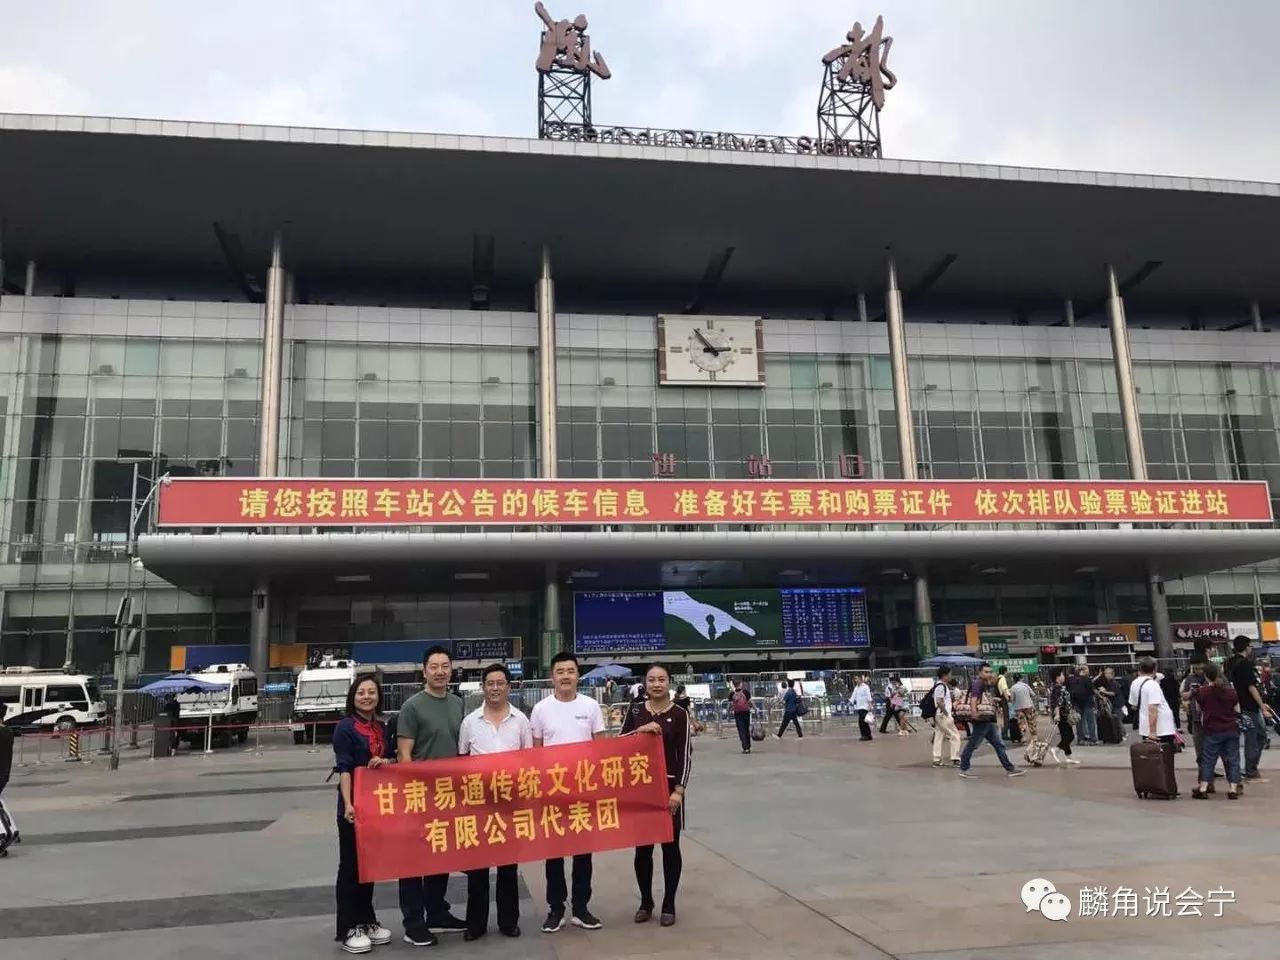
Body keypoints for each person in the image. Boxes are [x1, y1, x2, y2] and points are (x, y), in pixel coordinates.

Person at [531, 651, 607, 933]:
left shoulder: (590, 706)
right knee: (554, 853)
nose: (565, 676)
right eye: (560, 671)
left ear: (578, 675)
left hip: (583, 790)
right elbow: (535, 753)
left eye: (570, 671)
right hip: (552, 792)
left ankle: (581, 907)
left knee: (583, 852)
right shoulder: (540, 709)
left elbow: (600, 748)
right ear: (552, 676)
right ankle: (556, 908)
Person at [396, 645, 467, 947]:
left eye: (445, 665)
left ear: (452, 669)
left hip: (450, 795)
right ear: (424, 670)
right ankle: (413, 922)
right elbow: (404, 754)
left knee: (441, 855)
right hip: (420, 794)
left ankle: (437, 911)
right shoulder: (412, 706)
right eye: (434, 666)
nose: (440, 671)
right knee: (414, 861)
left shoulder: (458, 703)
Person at [458, 663, 532, 941]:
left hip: (511, 805)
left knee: (507, 867)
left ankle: (508, 921)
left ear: (509, 687)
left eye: (501, 683)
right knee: (477, 867)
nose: (495, 688)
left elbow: (529, 761)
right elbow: (462, 760)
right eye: (490, 683)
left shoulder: (521, 720)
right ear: (483, 687)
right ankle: (475, 923)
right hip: (479, 805)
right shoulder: (470, 722)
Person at [622, 663, 693, 927]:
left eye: (662, 679)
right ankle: (645, 901)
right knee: (642, 850)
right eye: (651, 680)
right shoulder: (636, 710)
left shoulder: (680, 713)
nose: (656, 684)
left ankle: (669, 903)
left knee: (670, 848)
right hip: (641, 790)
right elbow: (621, 743)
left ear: (669, 683)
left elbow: (686, 754)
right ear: (645, 683)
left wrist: (679, 791)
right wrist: (639, 730)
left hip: (669, 790)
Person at [333, 676, 394, 954]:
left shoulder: (381, 727)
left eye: (371, 692)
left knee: (368, 865)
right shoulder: (345, 728)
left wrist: (387, 761)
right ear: (353, 697)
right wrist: (348, 804)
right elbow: (344, 768)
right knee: (350, 866)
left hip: (376, 806)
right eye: (361, 692)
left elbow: (392, 759)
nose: (367, 696)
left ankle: (367, 919)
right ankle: (348, 927)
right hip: (353, 806)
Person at [957, 664, 1025, 779]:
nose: (988, 674)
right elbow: (974, 699)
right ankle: (964, 768)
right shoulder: (978, 683)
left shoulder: (986, 684)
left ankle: (1010, 768)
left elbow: (983, 699)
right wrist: (974, 713)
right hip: (981, 719)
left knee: (999, 745)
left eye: (989, 671)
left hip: (988, 719)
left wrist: (994, 699)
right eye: (985, 672)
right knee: (973, 744)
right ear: (980, 673)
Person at [1226, 635, 1277, 783]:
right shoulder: (1244, 664)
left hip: (1239, 705)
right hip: (1249, 706)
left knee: (1254, 737)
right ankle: (1251, 769)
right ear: (1246, 647)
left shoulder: (1230, 663)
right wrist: (1262, 706)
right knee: (1255, 738)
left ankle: (1249, 768)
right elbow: (1251, 687)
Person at [1191, 663, 1243, 800]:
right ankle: (1232, 788)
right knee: (1233, 759)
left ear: (1206, 676)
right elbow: (1238, 710)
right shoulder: (1231, 692)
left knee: (1208, 760)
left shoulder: (1202, 692)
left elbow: (1198, 709)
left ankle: (1203, 788)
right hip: (1231, 729)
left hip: (1212, 730)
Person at [1128, 657, 1177, 746]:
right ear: (1155, 668)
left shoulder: (1135, 683)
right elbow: (1152, 708)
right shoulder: (1153, 685)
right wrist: (1153, 732)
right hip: (1161, 728)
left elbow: (1133, 705)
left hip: (1145, 727)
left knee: (1150, 756)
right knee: (1165, 756)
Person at [1181, 658, 1210, 772]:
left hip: (1210, 717)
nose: (1199, 671)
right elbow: (1184, 695)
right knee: (1199, 746)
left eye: (1201, 668)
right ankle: (1203, 771)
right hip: (1196, 717)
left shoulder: (1210, 678)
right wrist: (1193, 692)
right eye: (1196, 668)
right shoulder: (1190, 678)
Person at [929, 667, 962, 767]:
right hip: (943, 715)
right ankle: (955, 758)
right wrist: (946, 713)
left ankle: (937, 759)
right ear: (945, 675)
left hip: (940, 715)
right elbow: (939, 701)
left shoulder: (941, 686)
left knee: (939, 735)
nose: (950, 676)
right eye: (949, 674)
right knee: (955, 735)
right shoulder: (941, 686)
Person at [1048, 668, 1080, 765]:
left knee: (1065, 735)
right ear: (1057, 677)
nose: (1063, 677)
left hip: (1062, 714)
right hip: (1063, 715)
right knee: (1070, 736)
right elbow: (1058, 703)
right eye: (1062, 674)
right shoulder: (1058, 688)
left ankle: (1068, 757)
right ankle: (1056, 749)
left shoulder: (1056, 687)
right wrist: (1057, 714)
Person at [1068, 666, 1097, 745]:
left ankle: (1080, 739)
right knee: (1090, 721)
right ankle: (1092, 739)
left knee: (1079, 722)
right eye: (1087, 669)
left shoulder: (1072, 680)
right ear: (1084, 671)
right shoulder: (1087, 679)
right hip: (1087, 702)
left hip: (1077, 703)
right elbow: (1092, 690)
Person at [1095, 667, 1124, 743]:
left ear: (1112, 674)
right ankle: (1117, 735)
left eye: (1108, 673)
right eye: (1105, 673)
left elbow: (1113, 693)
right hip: (1111, 704)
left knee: (1118, 720)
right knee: (1113, 720)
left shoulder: (1114, 683)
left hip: (1117, 704)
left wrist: (1104, 691)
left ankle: (1121, 735)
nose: (1106, 675)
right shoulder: (1106, 682)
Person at [1010, 673, 1038, 747]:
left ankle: (1024, 738)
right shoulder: (1026, 685)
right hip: (1028, 706)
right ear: (1021, 678)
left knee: (1022, 724)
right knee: (1031, 722)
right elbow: (1033, 694)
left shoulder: (1013, 688)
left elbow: (1012, 699)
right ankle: (1034, 738)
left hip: (1019, 708)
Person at [728, 681, 752, 753]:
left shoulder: (732, 693)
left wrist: (729, 710)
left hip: (738, 713)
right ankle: (748, 746)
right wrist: (755, 708)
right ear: (740, 684)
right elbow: (750, 701)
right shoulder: (745, 692)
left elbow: (730, 704)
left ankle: (745, 747)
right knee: (746, 729)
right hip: (746, 712)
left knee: (741, 730)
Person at [850, 675, 873, 741]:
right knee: (864, 721)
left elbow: (869, 696)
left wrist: (870, 705)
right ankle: (868, 735)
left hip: (865, 706)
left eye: (857, 679)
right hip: (859, 706)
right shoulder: (856, 688)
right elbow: (853, 696)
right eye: (855, 679)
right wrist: (850, 702)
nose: (855, 680)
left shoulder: (865, 687)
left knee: (861, 721)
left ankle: (864, 735)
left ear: (860, 679)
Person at [996, 666, 1012, 741]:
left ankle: (1003, 733)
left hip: (999, 699)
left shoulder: (997, 678)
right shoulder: (1002, 679)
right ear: (1005, 671)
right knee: (1006, 717)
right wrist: (1008, 699)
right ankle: (1004, 734)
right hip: (1003, 699)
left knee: (1003, 717)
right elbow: (1004, 690)